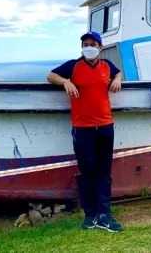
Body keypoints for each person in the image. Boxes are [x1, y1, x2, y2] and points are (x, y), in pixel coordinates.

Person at [46, 31, 124, 233]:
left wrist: (118, 79)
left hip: (105, 125)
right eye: (85, 43)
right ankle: (90, 215)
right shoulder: (74, 65)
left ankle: (105, 215)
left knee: (104, 172)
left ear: (100, 47)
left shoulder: (107, 66)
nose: (88, 47)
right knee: (87, 172)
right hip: (82, 128)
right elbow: (51, 75)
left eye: (92, 43)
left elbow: (117, 73)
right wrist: (66, 81)